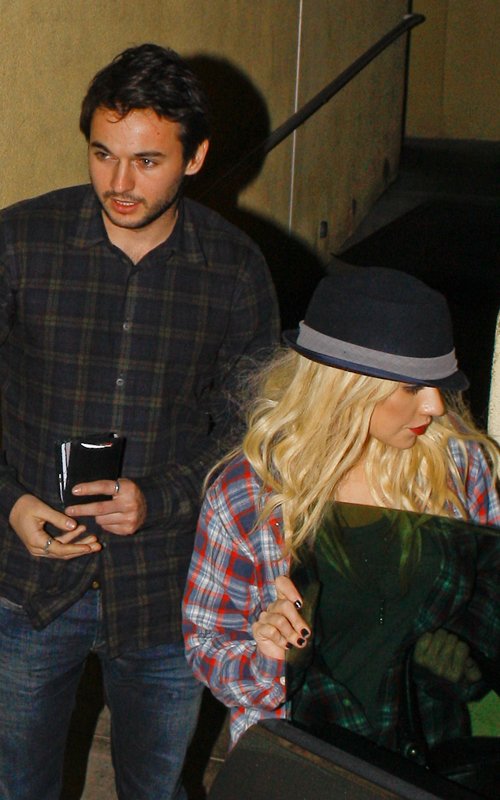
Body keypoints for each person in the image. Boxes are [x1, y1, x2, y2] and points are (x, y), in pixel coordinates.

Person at [0, 43, 278, 800]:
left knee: (155, 788)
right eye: (103, 154)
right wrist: (11, 502)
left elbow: (254, 430)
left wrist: (162, 497)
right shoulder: (20, 243)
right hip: (27, 581)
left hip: (164, 587)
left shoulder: (234, 268)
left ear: (196, 158)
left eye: (147, 161)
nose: (119, 184)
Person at [183, 265, 499, 753]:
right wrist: (271, 657)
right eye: (412, 387)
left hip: (426, 749)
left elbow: (489, 601)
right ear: (347, 386)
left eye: (438, 385)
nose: (437, 406)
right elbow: (207, 643)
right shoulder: (248, 493)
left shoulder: (458, 465)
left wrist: (463, 659)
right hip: (301, 757)